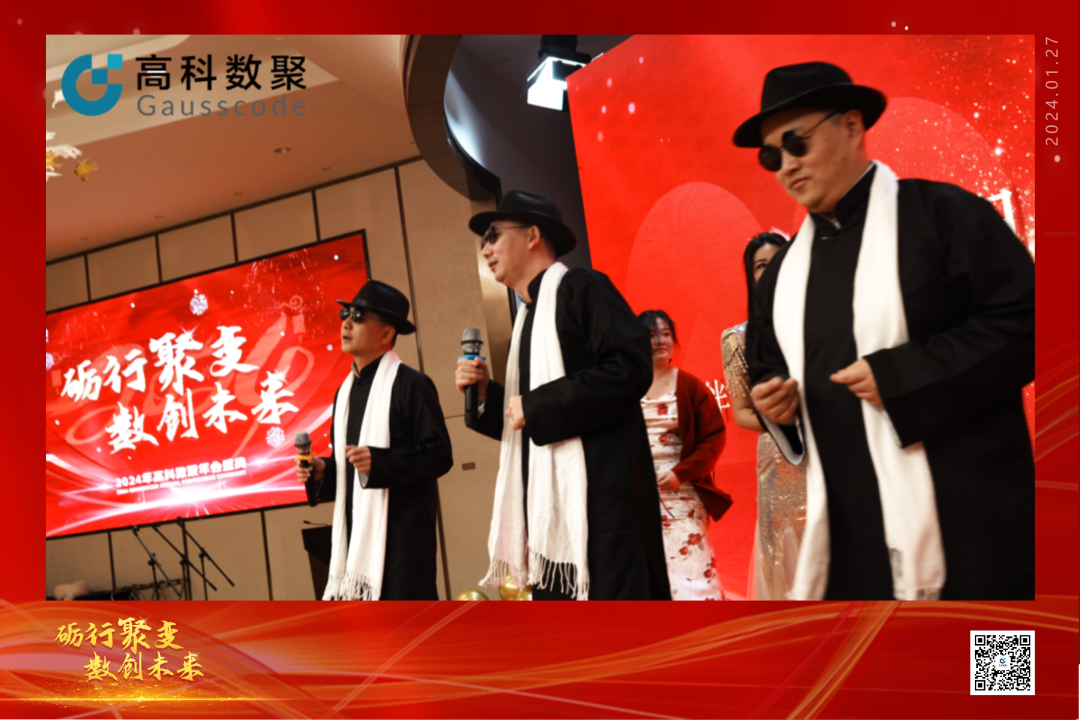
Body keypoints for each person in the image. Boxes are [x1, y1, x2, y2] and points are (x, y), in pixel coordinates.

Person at [734, 62, 1035, 601]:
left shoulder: (943, 216)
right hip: (851, 536)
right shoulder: (779, 277)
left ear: (852, 125)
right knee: (896, 656)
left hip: (968, 516)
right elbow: (768, 369)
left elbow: (1028, 321)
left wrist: (902, 375)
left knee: (1001, 656)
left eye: (797, 142)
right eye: (771, 156)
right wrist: (776, 403)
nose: (786, 165)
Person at [455, 190, 670, 600]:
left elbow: (629, 368)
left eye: (493, 235)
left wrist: (535, 405)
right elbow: (530, 423)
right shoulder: (527, 318)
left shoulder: (581, 286)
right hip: (549, 514)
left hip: (602, 503)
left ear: (532, 235)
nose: (485, 250)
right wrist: (487, 395)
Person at [296, 280, 453, 600]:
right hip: (358, 534)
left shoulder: (411, 384)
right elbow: (351, 467)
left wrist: (380, 462)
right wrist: (324, 470)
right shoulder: (345, 392)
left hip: (403, 539)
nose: (347, 323)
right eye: (345, 314)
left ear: (386, 334)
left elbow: (438, 456)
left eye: (358, 316)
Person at [721, 232, 807, 600]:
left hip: (830, 452)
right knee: (786, 567)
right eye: (760, 265)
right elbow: (742, 412)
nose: (770, 271)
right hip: (779, 461)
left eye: (777, 261)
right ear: (750, 275)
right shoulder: (737, 339)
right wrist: (790, 420)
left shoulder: (819, 324)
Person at [639, 309, 730, 600]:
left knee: (695, 573)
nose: (660, 340)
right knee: (649, 579)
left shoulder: (690, 385)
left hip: (684, 496)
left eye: (666, 333)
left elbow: (714, 438)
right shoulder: (626, 389)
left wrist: (681, 473)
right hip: (639, 498)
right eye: (652, 335)